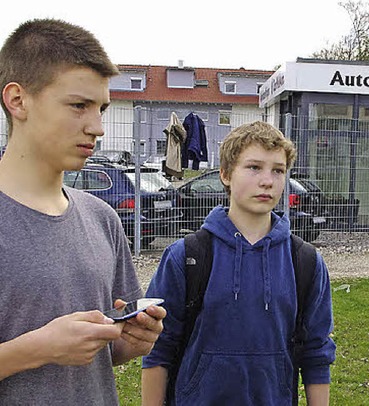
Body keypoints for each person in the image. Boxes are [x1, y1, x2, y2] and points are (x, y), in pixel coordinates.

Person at [0, 19, 166, 404]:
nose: (98, 127)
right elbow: (48, 349)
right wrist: (37, 348)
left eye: (101, 108)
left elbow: (105, 354)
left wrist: (129, 341)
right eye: (79, 106)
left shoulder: (102, 218)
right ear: (18, 100)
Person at [141, 121, 336, 405]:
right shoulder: (186, 256)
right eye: (254, 167)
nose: (267, 180)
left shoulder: (304, 261)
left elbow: (316, 354)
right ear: (225, 174)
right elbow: (159, 349)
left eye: (278, 170)